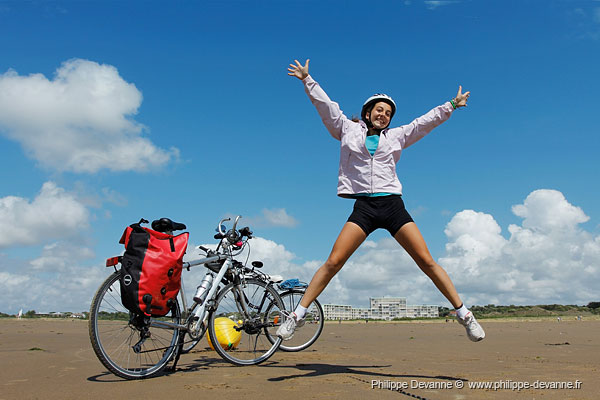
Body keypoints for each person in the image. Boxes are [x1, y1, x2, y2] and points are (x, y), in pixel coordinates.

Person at [276, 59, 485, 342]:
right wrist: (307, 80)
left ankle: (465, 315)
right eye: (379, 110)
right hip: (365, 207)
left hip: (392, 206)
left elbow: (423, 123)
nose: (383, 115)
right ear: (367, 112)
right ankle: (296, 317)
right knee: (333, 262)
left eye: (388, 113)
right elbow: (326, 107)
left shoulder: (397, 137)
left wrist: (450, 105)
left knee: (426, 261)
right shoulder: (346, 130)